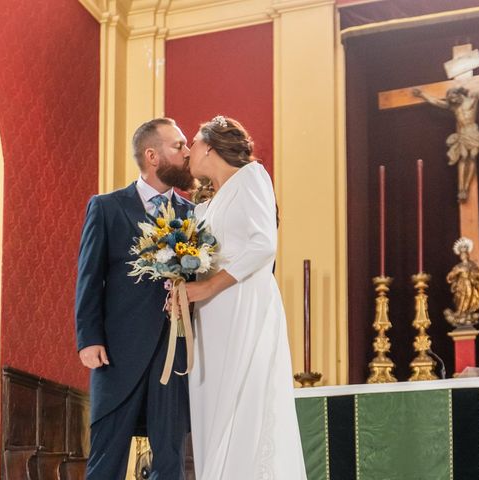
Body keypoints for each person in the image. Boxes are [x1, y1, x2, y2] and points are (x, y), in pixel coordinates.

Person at [184, 115, 307, 479]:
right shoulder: (206, 203)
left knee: (245, 404)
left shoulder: (252, 177)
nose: (188, 150)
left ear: (207, 146)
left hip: (242, 304)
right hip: (210, 318)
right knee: (212, 407)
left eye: (192, 142)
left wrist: (206, 287)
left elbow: (263, 245)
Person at [75, 118, 195, 480]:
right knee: (106, 456)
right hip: (117, 352)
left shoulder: (194, 215)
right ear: (152, 155)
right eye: (179, 146)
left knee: (170, 458)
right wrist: (89, 337)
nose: (187, 152)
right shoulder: (107, 208)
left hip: (175, 353)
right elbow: (89, 277)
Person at [413, 71, 479, 202]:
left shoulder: (472, 99)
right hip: (463, 133)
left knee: (472, 156)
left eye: (453, 98)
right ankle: (461, 188)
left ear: (458, 95)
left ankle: (466, 187)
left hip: (472, 131)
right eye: (451, 100)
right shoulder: (454, 107)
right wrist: (422, 94)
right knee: (464, 156)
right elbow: (436, 102)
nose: (452, 101)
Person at [443, 237, 479, 328]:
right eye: (462, 254)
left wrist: (478, 275)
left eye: (465, 253)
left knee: (469, 295)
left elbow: (476, 274)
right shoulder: (458, 266)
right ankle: (460, 312)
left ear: (467, 254)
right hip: (461, 285)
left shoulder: (472, 265)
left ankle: (467, 312)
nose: (463, 255)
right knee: (461, 298)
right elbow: (450, 277)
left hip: (469, 284)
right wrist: (458, 272)